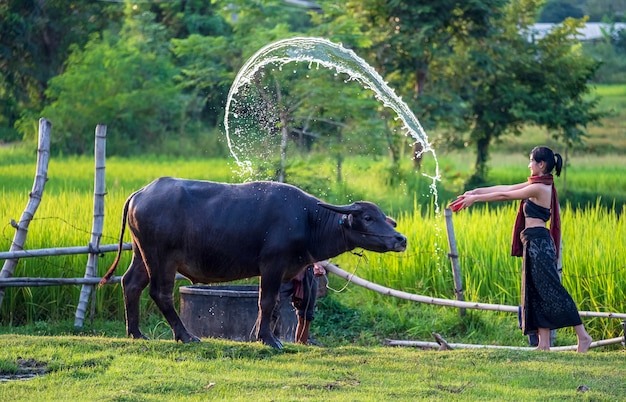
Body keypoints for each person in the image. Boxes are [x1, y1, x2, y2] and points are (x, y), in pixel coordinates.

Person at [449, 146, 592, 353]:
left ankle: (583, 337)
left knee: (554, 292)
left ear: (540, 165)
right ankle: (543, 345)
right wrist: (474, 192)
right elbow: (505, 187)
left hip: (540, 245)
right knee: (536, 292)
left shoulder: (540, 188)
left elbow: (505, 196)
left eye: (531, 161)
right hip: (532, 243)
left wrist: (476, 199)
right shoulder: (537, 183)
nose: (529, 165)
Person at [272, 262, 326, 345]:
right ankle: (270, 342)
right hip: (286, 265)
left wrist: (316, 263)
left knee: (306, 315)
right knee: (271, 306)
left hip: (308, 267)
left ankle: (301, 346)